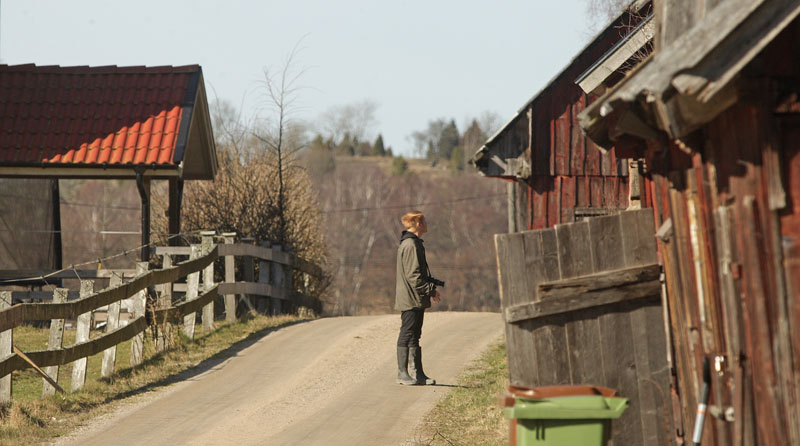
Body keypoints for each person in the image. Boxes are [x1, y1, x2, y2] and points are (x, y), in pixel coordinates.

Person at [395, 211, 440, 385]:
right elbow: (414, 276)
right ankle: (402, 373)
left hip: (414, 297)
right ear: (418, 223)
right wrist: (431, 290)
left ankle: (417, 374)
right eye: (425, 220)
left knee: (415, 334)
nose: (427, 223)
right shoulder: (411, 245)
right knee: (407, 333)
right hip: (410, 298)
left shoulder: (412, 243)